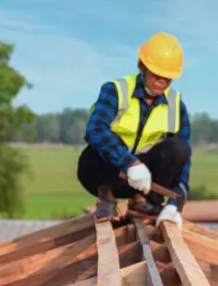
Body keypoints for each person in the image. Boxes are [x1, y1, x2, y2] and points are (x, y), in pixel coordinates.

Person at [77, 32, 191, 226]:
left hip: (146, 185)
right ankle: (106, 199)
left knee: (178, 148)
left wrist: (174, 204)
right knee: (98, 145)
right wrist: (130, 163)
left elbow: (183, 159)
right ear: (141, 66)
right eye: (156, 74)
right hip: (108, 174)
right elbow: (95, 130)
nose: (161, 82)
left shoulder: (176, 105)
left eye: (168, 78)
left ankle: (145, 204)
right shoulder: (115, 90)